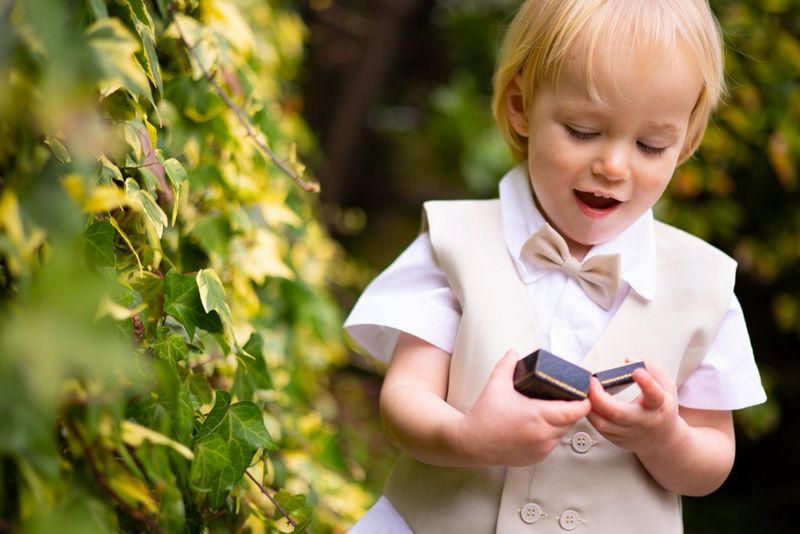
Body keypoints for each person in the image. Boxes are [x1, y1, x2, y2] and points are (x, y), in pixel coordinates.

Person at [344, 0, 766, 532]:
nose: (613, 165)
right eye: (583, 130)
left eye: (650, 144)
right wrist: (468, 437)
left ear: (686, 139)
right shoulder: (458, 245)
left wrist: (666, 437)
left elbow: (711, 458)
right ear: (522, 106)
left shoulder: (704, 287)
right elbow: (404, 399)